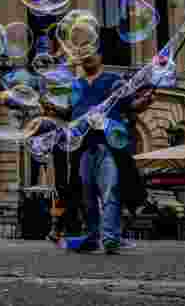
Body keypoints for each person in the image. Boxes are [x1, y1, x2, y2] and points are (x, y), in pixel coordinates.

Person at [41, 35, 154, 254]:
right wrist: (54, 110)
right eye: (81, 53)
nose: (85, 56)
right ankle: (93, 235)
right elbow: (72, 114)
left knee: (111, 191)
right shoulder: (76, 84)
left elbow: (131, 105)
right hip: (82, 147)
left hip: (108, 145)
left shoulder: (114, 80)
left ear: (100, 55)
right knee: (87, 195)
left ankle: (110, 238)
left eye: (89, 51)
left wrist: (145, 101)